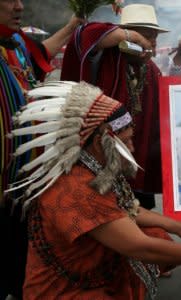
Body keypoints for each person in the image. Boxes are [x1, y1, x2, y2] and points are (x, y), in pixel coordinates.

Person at [5, 81, 181, 299]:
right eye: (126, 142)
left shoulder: (92, 164)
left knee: (158, 233)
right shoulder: (75, 188)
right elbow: (138, 246)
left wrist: (176, 225)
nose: (132, 149)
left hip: (93, 265)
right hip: (66, 289)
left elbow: (126, 207)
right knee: (151, 243)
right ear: (99, 142)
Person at [0, 0, 83, 298]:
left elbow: (38, 58)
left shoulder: (15, 44)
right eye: (9, 0)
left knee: (20, 262)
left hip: (19, 180)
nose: (19, 6)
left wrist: (73, 25)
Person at [61, 3, 167, 210]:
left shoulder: (151, 70)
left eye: (154, 38)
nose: (150, 43)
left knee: (140, 218)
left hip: (136, 160)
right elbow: (84, 34)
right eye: (145, 36)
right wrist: (135, 39)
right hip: (100, 160)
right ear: (125, 35)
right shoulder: (105, 56)